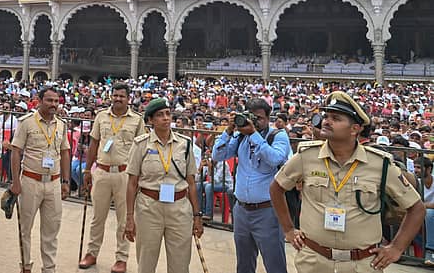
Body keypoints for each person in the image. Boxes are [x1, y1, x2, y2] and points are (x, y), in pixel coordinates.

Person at [271, 91, 425, 272]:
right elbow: (276, 188)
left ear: (355, 129)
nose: (326, 121)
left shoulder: (379, 164)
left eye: (336, 118)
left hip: (361, 264)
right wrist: (289, 230)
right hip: (314, 261)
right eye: (326, 116)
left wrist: (397, 248)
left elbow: (416, 208)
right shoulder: (306, 156)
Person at [211, 97, 290, 273]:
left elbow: (275, 159)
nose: (255, 122)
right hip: (241, 211)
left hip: (267, 211)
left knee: (274, 264)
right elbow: (217, 155)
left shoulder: (278, 136)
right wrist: (229, 130)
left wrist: (254, 134)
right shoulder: (240, 137)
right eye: (251, 117)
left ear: (268, 118)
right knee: (244, 265)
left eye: (259, 118)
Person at [124, 98, 202, 273]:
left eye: (168, 114)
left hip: (180, 208)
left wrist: (197, 215)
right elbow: (132, 183)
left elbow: (191, 182)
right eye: (160, 115)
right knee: (146, 261)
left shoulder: (185, 144)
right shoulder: (140, 144)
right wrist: (129, 217)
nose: (166, 118)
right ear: (150, 120)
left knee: (180, 264)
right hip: (149, 207)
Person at [79, 83, 145, 273]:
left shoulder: (137, 120)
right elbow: (94, 144)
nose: (118, 99)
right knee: (97, 217)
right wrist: (87, 170)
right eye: (115, 95)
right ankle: (91, 253)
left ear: (128, 98)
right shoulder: (101, 116)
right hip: (101, 171)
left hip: (125, 175)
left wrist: (139, 177)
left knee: (124, 220)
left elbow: (141, 150)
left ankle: (121, 258)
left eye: (121, 96)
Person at [10, 86, 71, 273]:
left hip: (53, 182)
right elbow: (16, 151)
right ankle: (26, 266)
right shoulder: (26, 123)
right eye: (49, 100)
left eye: (56, 101)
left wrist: (66, 182)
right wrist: (16, 182)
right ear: (39, 100)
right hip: (30, 180)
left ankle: (49, 268)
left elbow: (65, 152)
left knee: (51, 230)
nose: (53, 104)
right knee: (25, 228)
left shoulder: (61, 124)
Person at [421, 157, 434, 265]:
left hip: (430, 213)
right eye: (415, 167)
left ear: (429, 169)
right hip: (421, 212)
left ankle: (430, 250)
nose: (416, 170)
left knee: (429, 214)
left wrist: (421, 206)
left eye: (419, 167)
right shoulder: (416, 182)